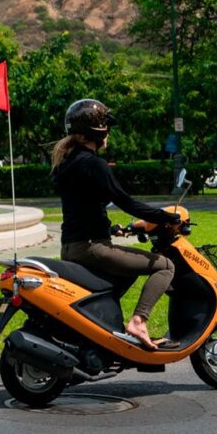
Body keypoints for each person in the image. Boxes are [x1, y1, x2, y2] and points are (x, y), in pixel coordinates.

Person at [51, 99, 182, 350]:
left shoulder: (65, 163)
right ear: (97, 131)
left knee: (128, 269)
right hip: (92, 248)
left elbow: (83, 206)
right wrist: (167, 217)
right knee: (165, 266)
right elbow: (126, 202)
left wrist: (111, 229)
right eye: (106, 127)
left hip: (71, 246)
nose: (109, 132)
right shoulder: (93, 164)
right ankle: (138, 322)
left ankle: (108, 327)